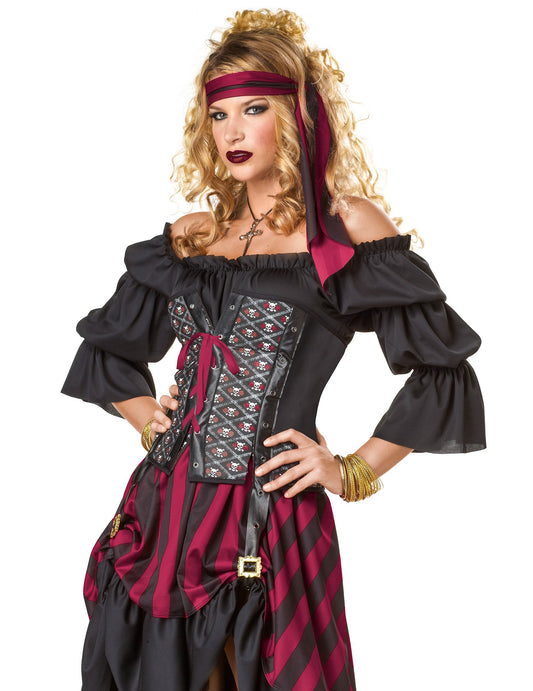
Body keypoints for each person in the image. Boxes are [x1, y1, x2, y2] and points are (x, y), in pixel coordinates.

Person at [62, 8, 486, 691]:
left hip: (267, 512)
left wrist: (351, 469)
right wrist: (149, 418)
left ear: (295, 114)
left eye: (253, 108)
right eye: (219, 114)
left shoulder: (346, 226)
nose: (232, 131)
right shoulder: (194, 235)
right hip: (160, 509)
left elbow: (441, 369)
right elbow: (107, 352)